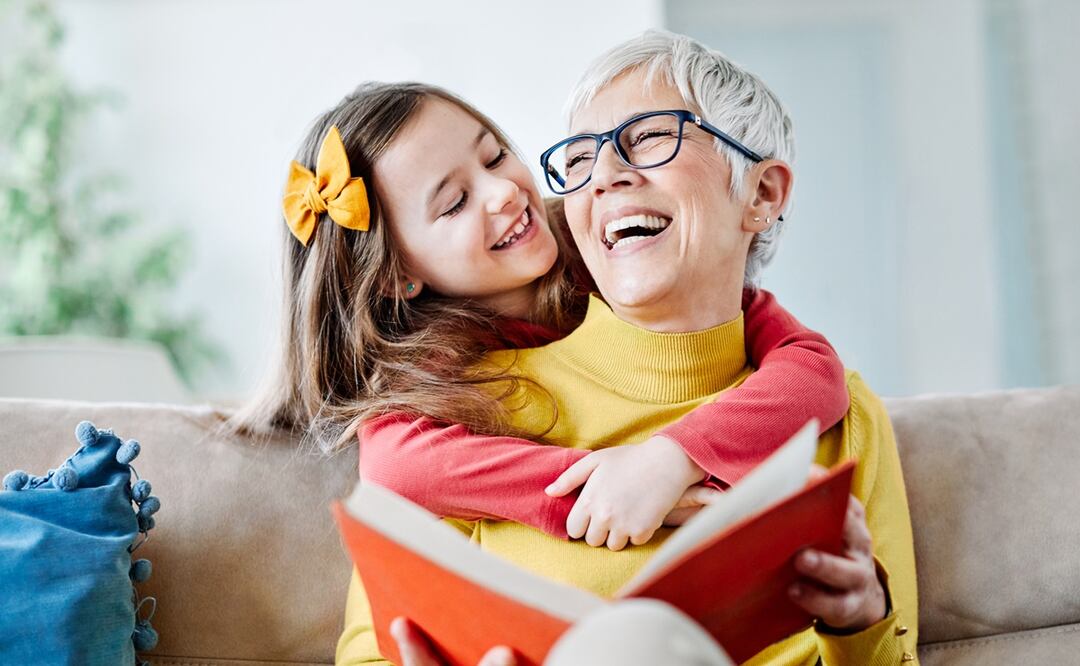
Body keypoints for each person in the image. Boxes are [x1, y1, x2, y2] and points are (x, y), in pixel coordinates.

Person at [333, 30, 919, 665]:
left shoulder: (842, 414)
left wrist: (863, 622)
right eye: (581, 159)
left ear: (763, 195)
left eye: (649, 137)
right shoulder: (466, 408)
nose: (606, 175)